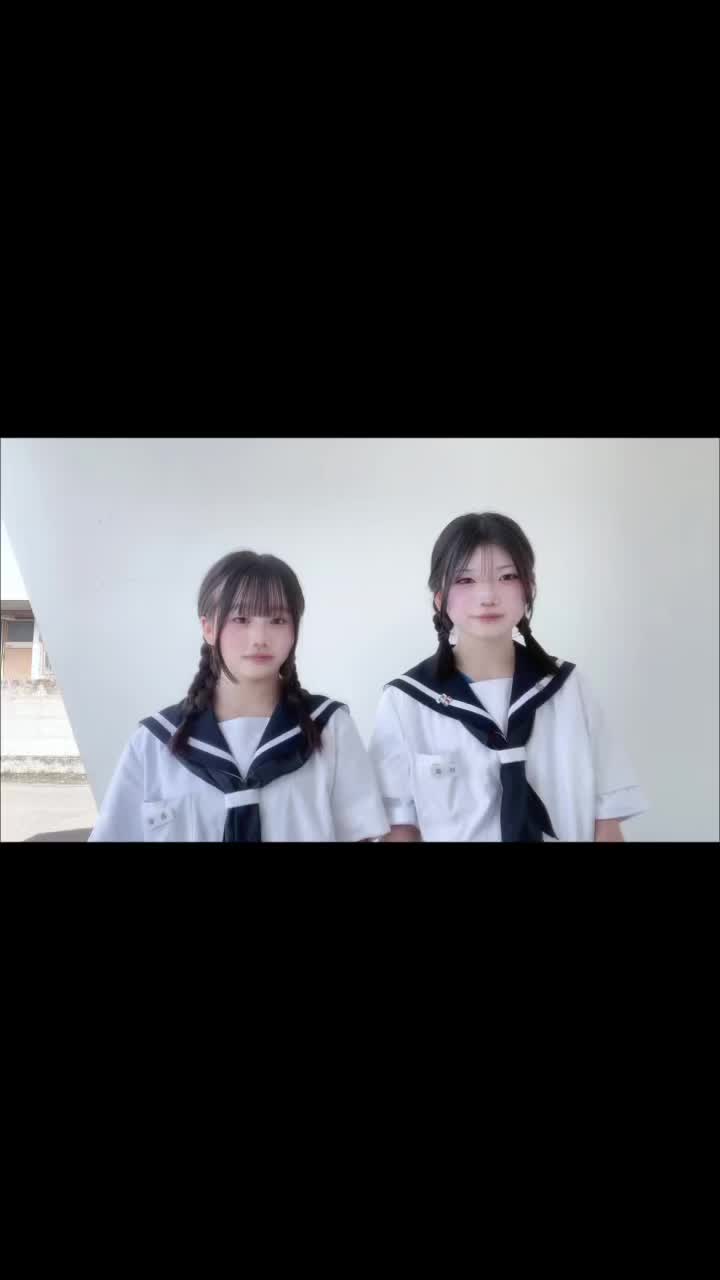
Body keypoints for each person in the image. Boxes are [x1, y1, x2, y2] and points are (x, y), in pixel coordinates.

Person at [368, 512, 648, 843]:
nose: (488, 595)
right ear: (440, 598)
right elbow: (400, 829)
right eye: (465, 580)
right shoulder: (406, 703)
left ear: (528, 589)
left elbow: (607, 822)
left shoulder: (569, 688)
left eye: (507, 576)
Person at [89, 550, 389, 842]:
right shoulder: (154, 742)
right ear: (208, 628)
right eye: (241, 618)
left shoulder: (328, 728)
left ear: (295, 631)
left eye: (277, 620)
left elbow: (359, 835)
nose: (259, 638)